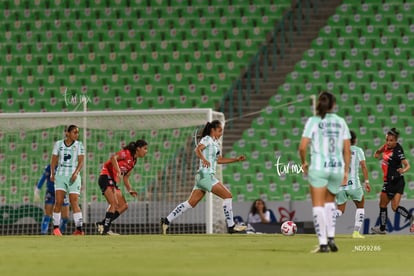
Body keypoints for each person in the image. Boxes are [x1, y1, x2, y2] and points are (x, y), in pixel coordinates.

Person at [160, 120, 247, 234]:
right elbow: (197, 149)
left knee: (191, 203)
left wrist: (235, 159)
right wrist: (204, 159)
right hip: (205, 176)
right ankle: (231, 226)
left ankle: (166, 220)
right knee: (228, 195)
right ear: (213, 130)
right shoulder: (207, 139)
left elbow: (219, 160)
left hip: (201, 176)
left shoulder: (215, 143)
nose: (221, 133)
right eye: (219, 130)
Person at [299, 91, 351, 253]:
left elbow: (302, 147)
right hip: (336, 167)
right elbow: (347, 150)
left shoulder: (313, 121)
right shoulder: (341, 122)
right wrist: (345, 172)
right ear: (333, 105)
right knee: (330, 203)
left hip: (319, 167)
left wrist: (304, 163)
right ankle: (331, 238)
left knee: (318, 205)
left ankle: (323, 243)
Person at [95, 139, 148, 235]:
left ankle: (102, 224)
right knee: (114, 204)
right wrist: (118, 171)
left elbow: (126, 177)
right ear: (138, 148)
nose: (146, 151)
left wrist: (130, 190)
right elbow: (113, 158)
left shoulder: (133, 161)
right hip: (106, 176)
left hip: (113, 181)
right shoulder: (126, 153)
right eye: (145, 148)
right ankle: (106, 230)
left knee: (124, 206)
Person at [371, 128, 414, 234]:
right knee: (393, 207)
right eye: (387, 140)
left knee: (383, 205)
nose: (388, 142)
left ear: (396, 141)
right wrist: (377, 153)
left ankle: (382, 229)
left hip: (394, 181)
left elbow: (407, 165)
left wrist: (403, 170)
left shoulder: (398, 151)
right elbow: (378, 153)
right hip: (394, 181)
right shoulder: (386, 146)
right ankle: (411, 218)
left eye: (391, 140)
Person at [50, 125, 85, 236]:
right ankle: (56, 228)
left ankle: (79, 230)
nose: (77, 134)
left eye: (77, 132)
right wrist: (52, 173)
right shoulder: (58, 144)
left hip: (73, 177)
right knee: (59, 201)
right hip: (60, 175)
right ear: (67, 133)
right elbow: (54, 160)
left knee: (74, 201)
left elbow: (81, 162)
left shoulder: (79, 145)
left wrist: (76, 173)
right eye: (74, 132)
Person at [335, 130, 371, 239]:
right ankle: (356, 232)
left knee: (340, 210)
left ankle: (329, 217)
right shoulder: (358, 150)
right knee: (360, 206)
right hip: (354, 185)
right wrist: (367, 182)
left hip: (340, 185)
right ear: (354, 140)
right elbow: (364, 166)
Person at [34, 164, 70, 235]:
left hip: (62, 193)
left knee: (65, 217)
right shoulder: (49, 167)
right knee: (47, 214)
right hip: (51, 193)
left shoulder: (65, 167)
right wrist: (37, 189)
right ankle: (43, 233)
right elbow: (43, 178)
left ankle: (60, 232)